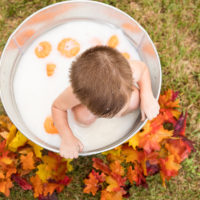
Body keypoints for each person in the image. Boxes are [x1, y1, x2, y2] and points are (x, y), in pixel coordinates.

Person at [51, 45, 160, 159]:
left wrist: (146, 95)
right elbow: (57, 107)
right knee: (82, 118)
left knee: (135, 99)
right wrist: (67, 137)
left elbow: (142, 69)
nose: (116, 115)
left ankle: (126, 101)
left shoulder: (128, 71)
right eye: (110, 114)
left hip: (117, 91)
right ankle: (92, 114)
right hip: (89, 106)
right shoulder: (76, 93)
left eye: (118, 111)